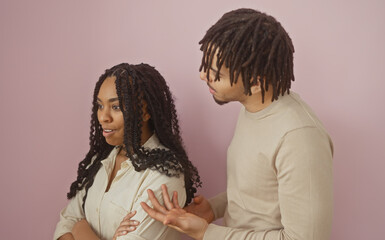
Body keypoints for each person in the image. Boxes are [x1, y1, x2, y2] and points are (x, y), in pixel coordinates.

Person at [130, 8, 333, 240]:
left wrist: (207, 232)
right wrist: (214, 208)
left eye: (216, 73)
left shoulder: (300, 137)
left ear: (256, 82)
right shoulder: (253, 106)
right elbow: (259, 192)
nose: (203, 76)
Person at [53, 62, 201, 240]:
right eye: (100, 106)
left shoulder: (164, 176)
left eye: (116, 107)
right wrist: (77, 225)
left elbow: (74, 224)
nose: (103, 117)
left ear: (145, 112)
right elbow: (66, 223)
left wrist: (80, 229)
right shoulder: (100, 159)